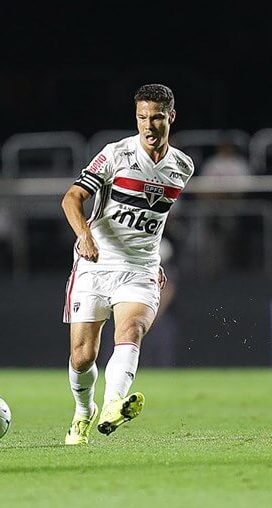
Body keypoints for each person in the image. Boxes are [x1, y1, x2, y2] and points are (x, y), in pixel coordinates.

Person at [61, 84, 194, 445]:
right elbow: (71, 198)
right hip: (95, 262)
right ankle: (83, 411)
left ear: (171, 117)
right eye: (142, 117)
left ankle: (113, 405)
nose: (149, 125)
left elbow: (155, 216)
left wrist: (153, 255)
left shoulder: (182, 166)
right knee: (82, 356)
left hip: (140, 268)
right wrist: (84, 234)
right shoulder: (115, 154)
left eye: (157, 117)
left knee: (130, 330)